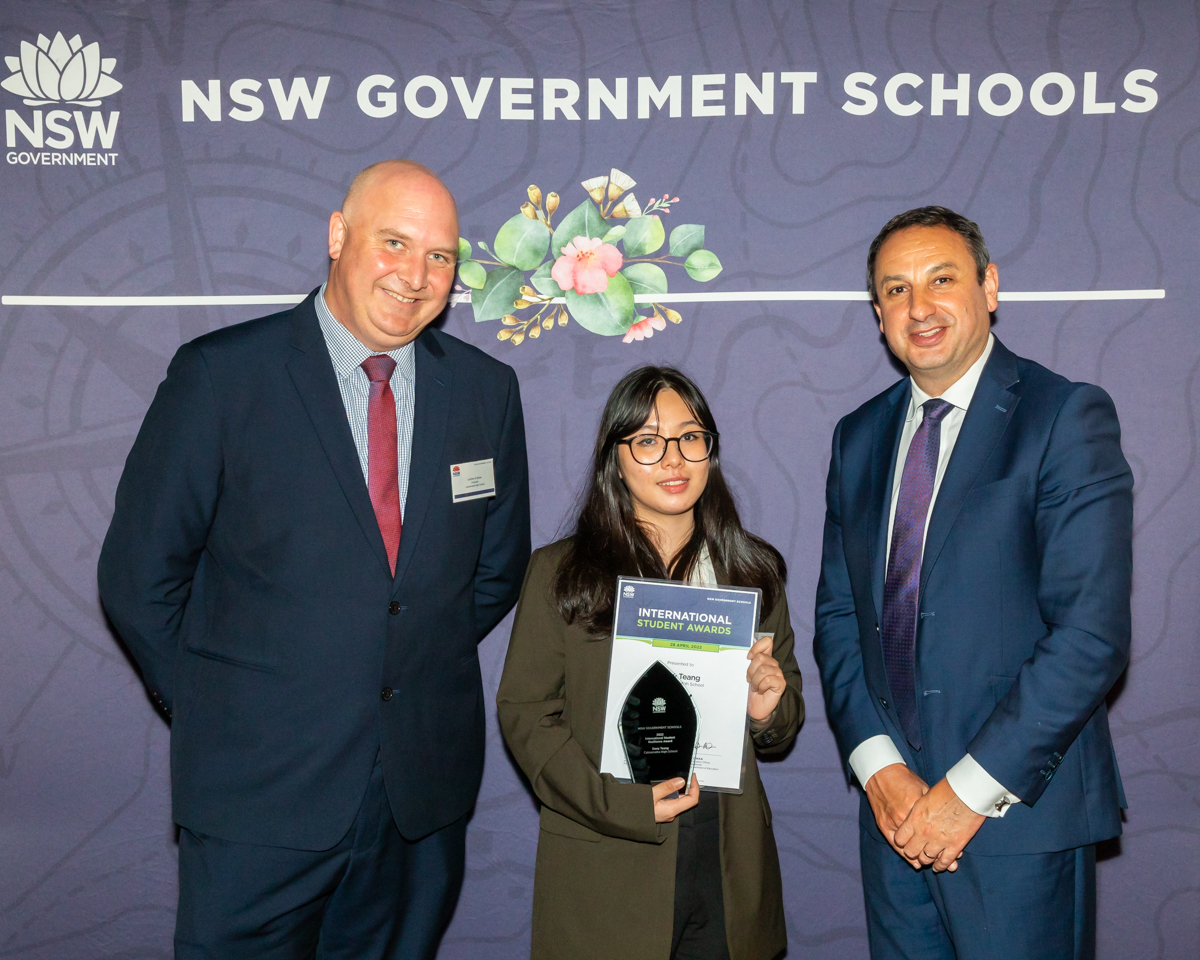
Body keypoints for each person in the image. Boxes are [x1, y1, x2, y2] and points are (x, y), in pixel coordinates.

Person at [98, 160, 531, 958]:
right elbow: (139, 575)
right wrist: (221, 708)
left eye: (440, 256)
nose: (416, 274)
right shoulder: (221, 376)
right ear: (339, 235)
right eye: (394, 242)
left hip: (416, 796)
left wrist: (395, 662)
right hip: (257, 792)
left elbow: (496, 568)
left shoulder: (485, 391)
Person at [813, 206, 1132, 959]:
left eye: (941, 280)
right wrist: (879, 769)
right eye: (895, 290)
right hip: (892, 823)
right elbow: (837, 617)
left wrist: (962, 795)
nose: (919, 307)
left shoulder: (1063, 417)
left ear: (989, 287)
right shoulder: (857, 437)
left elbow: (1090, 637)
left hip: (1017, 820)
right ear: (878, 313)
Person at [497, 366, 803, 960]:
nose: (674, 459)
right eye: (648, 441)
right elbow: (526, 714)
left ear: (710, 453)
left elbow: (782, 716)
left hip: (725, 860)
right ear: (616, 458)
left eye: (691, 438)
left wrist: (768, 709)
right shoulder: (560, 573)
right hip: (606, 857)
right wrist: (621, 805)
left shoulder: (751, 571)